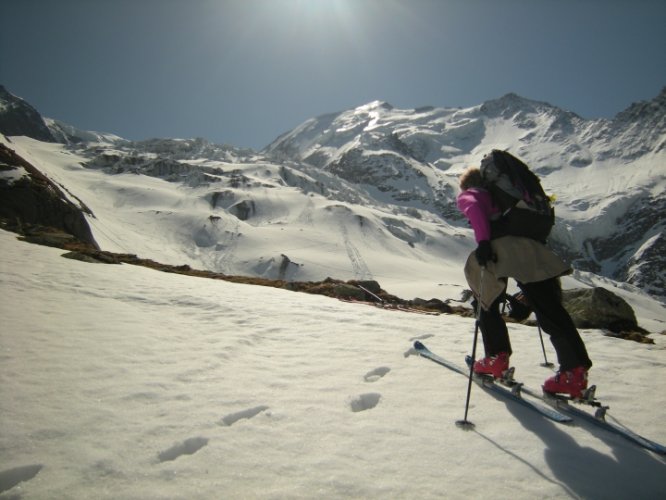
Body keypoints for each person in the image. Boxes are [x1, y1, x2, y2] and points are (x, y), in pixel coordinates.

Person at [457, 165, 593, 398]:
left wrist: (483, 243)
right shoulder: (510, 196)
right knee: (549, 308)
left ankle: (496, 358)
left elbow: (476, 212)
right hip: (533, 249)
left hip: (501, 250)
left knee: (485, 301)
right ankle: (574, 371)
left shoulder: (471, 194)